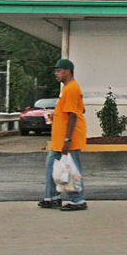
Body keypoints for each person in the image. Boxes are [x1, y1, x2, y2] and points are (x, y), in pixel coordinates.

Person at [38, 58, 88, 211]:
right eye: (56, 71)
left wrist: (67, 139)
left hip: (69, 139)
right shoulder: (67, 89)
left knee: (72, 169)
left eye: (59, 71)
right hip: (60, 139)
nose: (56, 73)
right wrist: (57, 115)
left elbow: (73, 115)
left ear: (68, 71)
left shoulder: (71, 89)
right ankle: (52, 197)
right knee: (51, 166)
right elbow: (81, 109)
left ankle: (77, 200)